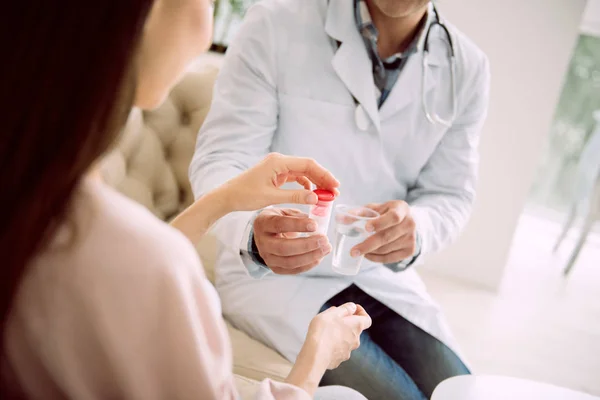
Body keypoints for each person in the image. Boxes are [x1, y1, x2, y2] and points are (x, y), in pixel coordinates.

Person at [0, 1, 372, 399]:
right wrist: (317, 353)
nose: (209, 19)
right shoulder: (144, 261)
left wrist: (224, 199)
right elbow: (137, 269)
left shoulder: (31, 205)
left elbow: (126, 271)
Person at [190, 0, 491, 399]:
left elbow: (450, 194)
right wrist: (253, 230)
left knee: (460, 391)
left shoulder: (465, 67)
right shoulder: (277, 22)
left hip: (376, 274)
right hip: (275, 278)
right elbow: (221, 160)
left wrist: (417, 228)